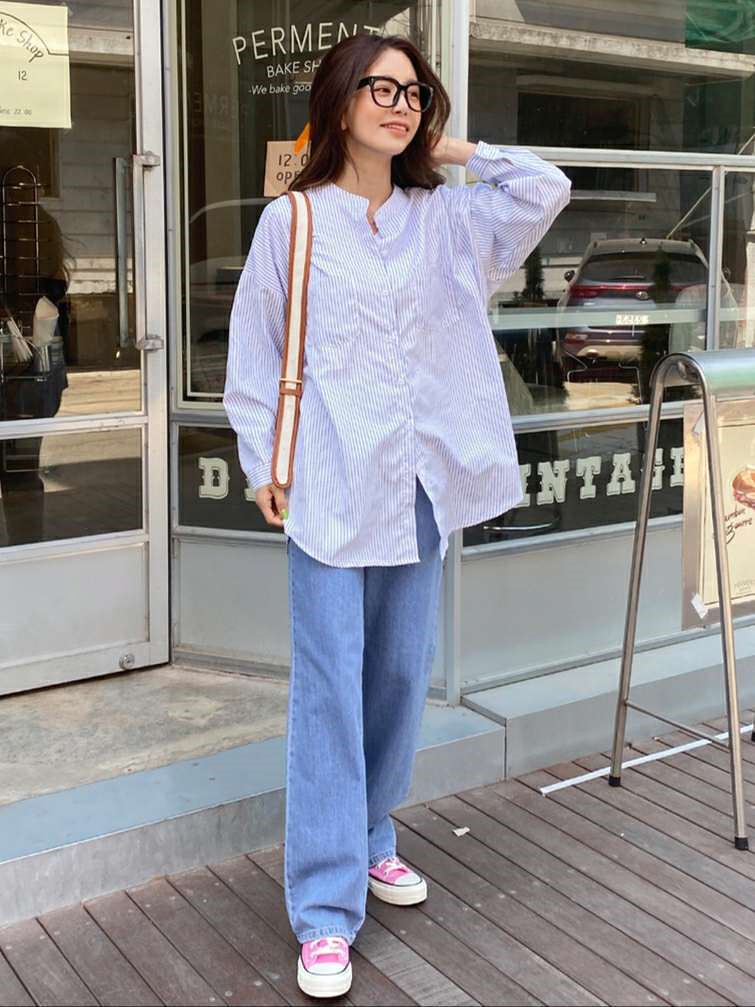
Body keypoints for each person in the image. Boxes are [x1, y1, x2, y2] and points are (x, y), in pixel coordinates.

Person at [223, 31, 571, 998]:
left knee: (396, 678)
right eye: (379, 89)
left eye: (413, 93)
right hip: (330, 486)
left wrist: (449, 149)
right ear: (338, 102)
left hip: (418, 488)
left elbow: (544, 187)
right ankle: (323, 907)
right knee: (328, 690)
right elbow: (254, 353)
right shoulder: (292, 223)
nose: (398, 104)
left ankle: (372, 832)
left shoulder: (446, 219)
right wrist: (262, 462)